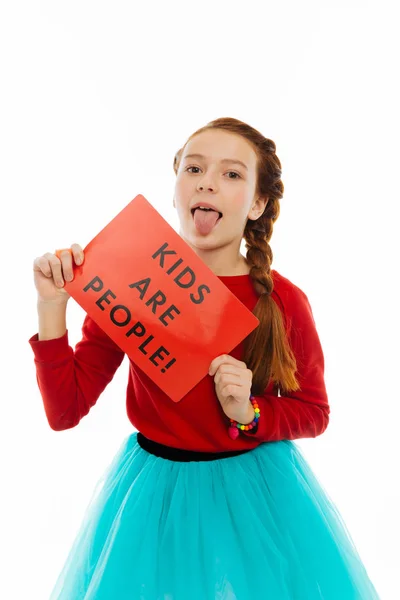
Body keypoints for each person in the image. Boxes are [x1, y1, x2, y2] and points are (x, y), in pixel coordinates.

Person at [29, 117, 380, 599]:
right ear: (176, 189)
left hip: (256, 498)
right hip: (152, 498)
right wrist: (52, 308)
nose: (208, 180)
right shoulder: (131, 283)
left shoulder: (282, 302)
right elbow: (65, 411)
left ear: (257, 204)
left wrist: (249, 412)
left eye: (232, 174)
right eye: (194, 168)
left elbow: (314, 412)